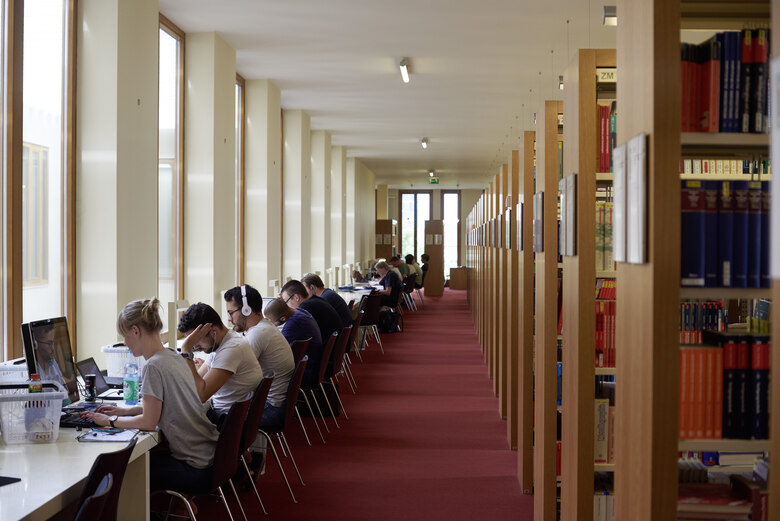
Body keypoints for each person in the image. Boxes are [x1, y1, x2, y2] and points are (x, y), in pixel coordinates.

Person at [82, 298, 219, 493]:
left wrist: (109, 420)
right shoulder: (173, 355)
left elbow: (148, 422)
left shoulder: (153, 366)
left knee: (124, 471)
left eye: (125, 335)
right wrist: (125, 411)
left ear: (136, 331)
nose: (124, 342)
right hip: (209, 454)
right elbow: (169, 403)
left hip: (194, 465)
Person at [177, 302, 263, 428]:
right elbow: (194, 383)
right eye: (192, 341)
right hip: (228, 416)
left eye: (196, 340)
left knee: (169, 421)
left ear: (212, 331)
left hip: (227, 423)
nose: (195, 346)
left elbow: (201, 395)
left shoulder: (232, 348)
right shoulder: (221, 343)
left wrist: (186, 349)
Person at [223, 284, 295, 431]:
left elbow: (234, 372)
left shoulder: (258, 334)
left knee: (218, 414)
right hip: (277, 405)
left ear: (246, 309)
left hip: (271, 409)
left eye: (231, 313)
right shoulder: (264, 326)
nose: (229, 319)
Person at [264, 298, 323, 387]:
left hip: (307, 372)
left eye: (271, 322)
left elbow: (276, 347)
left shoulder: (294, 323)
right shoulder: (300, 312)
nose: (271, 324)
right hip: (313, 366)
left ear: (283, 318)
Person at [280, 279, 344, 345]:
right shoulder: (315, 301)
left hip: (329, 350)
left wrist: (276, 309)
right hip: (336, 346)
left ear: (296, 297)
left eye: (286, 301)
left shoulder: (306, 307)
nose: (286, 306)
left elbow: (284, 338)